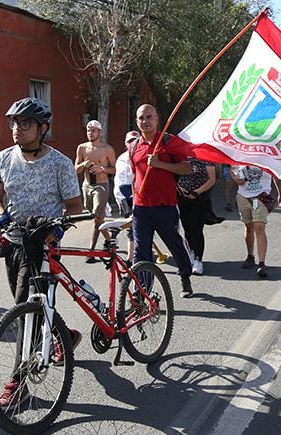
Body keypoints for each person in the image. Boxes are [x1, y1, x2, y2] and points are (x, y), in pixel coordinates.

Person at [0, 97, 84, 306]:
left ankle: (46, 337)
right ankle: (65, 336)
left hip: (44, 245)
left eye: (25, 123)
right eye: (14, 123)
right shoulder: (3, 159)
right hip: (12, 242)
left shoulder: (60, 164)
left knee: (26, 307)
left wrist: (61, 228)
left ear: (43, 128)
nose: (17, 128)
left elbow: (75, 206)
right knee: (28, 306)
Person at [128, 104, 195, 298]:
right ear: (137, 121)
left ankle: (185, 276)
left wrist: (159, 164)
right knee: (141, 253)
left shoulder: (169, 141)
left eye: (149, 117)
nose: (145, 121)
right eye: (141, 118)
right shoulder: (133, 146)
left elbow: (186, 168)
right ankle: (143, 292)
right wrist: (133, 201)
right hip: (141, 209)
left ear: (157, 119)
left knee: (174, 244)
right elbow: (135, 176)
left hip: (165, 207)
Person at [75, 120, 116, 262]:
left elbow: (114, 169)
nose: (90, 133)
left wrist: (102, 169)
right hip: (87, 186)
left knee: (97, 217)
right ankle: (110, 241)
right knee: (97, 218)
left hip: (101, 185)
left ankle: (91, 251)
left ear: (100, 132)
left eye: (93, 130)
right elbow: (75, 170)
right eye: (88, 130)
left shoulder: (107, 149)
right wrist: (83, 164)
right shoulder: (82, 148)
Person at [231, 165, 278, 279]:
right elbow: (233, 169)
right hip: (243, 196)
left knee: (259, 227)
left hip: (261, 196)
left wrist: (280, 192)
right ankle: (250, 256)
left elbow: (276, 171)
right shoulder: (241, 153)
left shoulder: (266, 153)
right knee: (249, 227)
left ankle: (262, 264)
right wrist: (234, 177)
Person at [177, 158, 217, 276]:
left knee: (196, 228)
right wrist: (180, 188)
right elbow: (173, 174)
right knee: (187, 228)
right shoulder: (179, 155)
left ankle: (198, 260)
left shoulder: (205, 158)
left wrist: (197, 191)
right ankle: (191, 255)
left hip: (200, 199)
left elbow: (212, 178)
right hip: (182, 197)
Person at [114, 130, 141, 262]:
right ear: (125, 143)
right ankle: (133, 256)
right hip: (124, 197)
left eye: (135, 140)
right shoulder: (121, 159)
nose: (132, 143)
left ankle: (132, 257)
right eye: (129, 141)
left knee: (136, 227)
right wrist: (120, 199)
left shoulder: (143, 156)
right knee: (131, 226)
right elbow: (118, 181)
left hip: (139, 196)